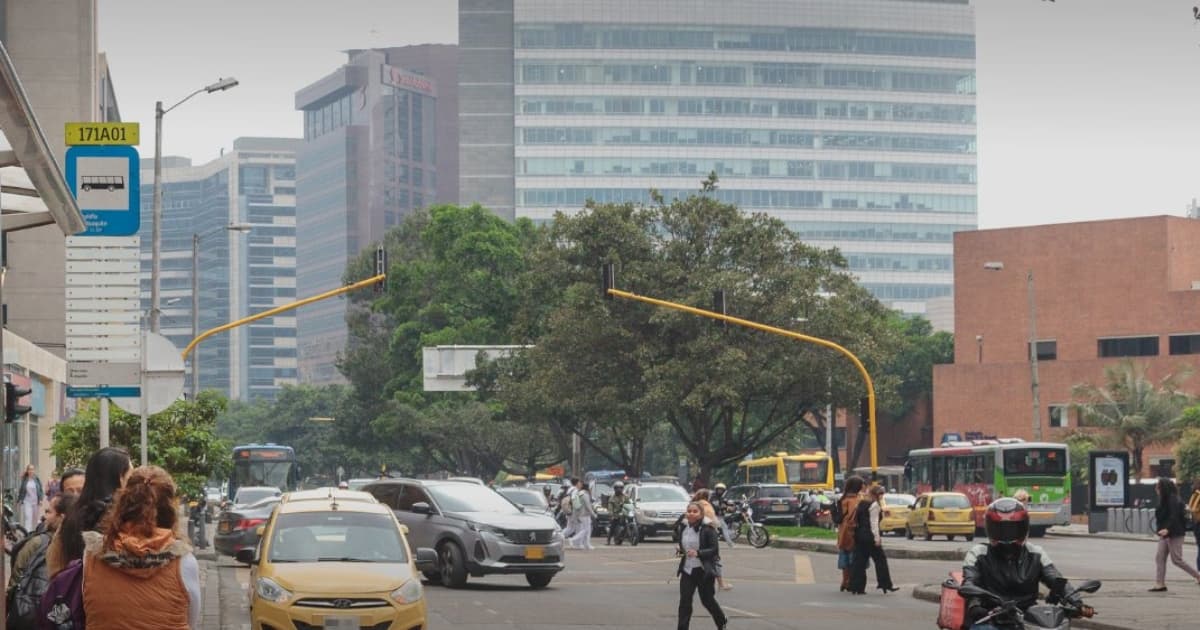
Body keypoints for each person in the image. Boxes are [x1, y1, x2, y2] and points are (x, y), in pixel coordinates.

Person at [81, 465, 201, 629]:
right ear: (170, 508)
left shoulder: (92, 555)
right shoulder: (184, 562)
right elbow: (191, 620)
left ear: (122, 503)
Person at [962, 498, 1092, 628]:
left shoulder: (1036, 553)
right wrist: (975, 606)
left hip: (1028, 617)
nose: (1007, 535)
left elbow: (1054, 577)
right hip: (989, 616)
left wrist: (1077, 602)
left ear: (1024, 528)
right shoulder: (978, 553)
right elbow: (971, 582)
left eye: (1013, 529)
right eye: (1001, 530)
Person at [47, 446, 133, 577]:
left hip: (76, 595)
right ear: (121, 479)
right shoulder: (128, 518)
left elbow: (54, 566)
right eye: (131, 476)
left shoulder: (72, 518)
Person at [7, 494, 74, 629]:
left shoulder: (37, 542)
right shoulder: (82, 547)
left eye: (49, 512)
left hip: (30, 617)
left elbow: (15, 581)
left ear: (61, 518)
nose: (45, 516)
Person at [676, 501, 727, 630]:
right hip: (687, 570)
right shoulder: (683, 527)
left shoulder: (708, 529)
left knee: (707, 600)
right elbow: (683, 544)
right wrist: (681, 549)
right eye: (689, 511)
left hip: (703, 570)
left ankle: (721, 620)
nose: (691, 514)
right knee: (685, 601)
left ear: (701, 514)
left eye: (695, 511)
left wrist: (698, 553)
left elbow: (714, 550)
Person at [1149, 477, 1200, 591]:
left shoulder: (1173, 499)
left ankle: (1198, 576)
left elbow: (1174, 516)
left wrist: (1168, 529)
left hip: (1175, 533)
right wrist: (1161, 530)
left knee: (1176, 559)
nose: (1156, 489)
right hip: (1165, 533)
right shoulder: (1164, 499)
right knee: (1160, 557)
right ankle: (1160, 583)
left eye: (1158, 486)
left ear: (1163, 488)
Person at [848, 484, 897, 595]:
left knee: (859, 561)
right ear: (876, 495)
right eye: (880, 495)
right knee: (880, 560)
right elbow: (873, 523)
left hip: (859, 536)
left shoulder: (861, 503)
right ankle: (885, 583)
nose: (881, 497)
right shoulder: (874, 505)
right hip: (869, 537)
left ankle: (856, 586)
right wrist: (877, 538)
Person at [836, 476, 865, 592]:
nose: (863, 486)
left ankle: (844, 581)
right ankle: (850, 581)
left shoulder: (843, 498)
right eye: (862, 484)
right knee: (853, 558)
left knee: (844, 556)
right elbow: (852, 517)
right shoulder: (854, 500)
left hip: (842, 531)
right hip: (851, 531)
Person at [569, 478, 596, 550]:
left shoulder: (580, 493)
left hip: (581, 514)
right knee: (585, 530)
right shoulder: (585, 494)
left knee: (587, 529)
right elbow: (588, 506)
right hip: (584, 514)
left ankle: (587, 544)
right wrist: (593, 514)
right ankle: (573, 539)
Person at [16, 464, 44, 531]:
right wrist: (19, 500)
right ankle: (27, 533)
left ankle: (35, 532)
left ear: (34, 470)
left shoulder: (36, 479)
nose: (31, 471)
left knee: (35, 519)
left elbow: (40, 489)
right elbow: (21, 490)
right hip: (27, 501)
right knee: (28, 517)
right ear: (27, 470)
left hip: (36, 502)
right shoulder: (25, 479)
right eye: (29, 469)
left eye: (32, 469)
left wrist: (40, 499)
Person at [606, 481, 632, 545]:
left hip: (624, 513)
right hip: (616, 514)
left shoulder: (625, 496)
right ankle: (608, 539)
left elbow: (630, 503)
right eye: (617, 488)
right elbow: (610, 507)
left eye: (620, 488)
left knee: (632, 520)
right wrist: (611, 514)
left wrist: (632, 507)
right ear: (614, 489)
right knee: (613, 525)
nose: (619, 489)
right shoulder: (612, 498)